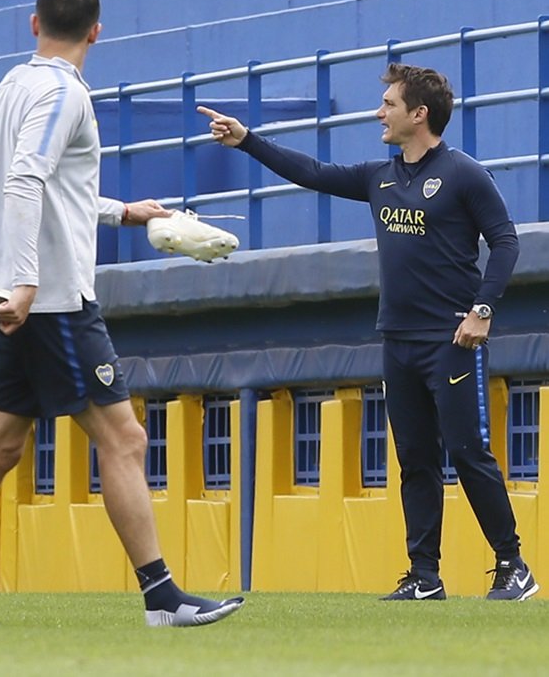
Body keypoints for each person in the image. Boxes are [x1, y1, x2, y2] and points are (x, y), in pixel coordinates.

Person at [0, 0, 244, 629]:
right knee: (123, 437)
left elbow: (41, 186)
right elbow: (28, 179)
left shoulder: (9, 87)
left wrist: (121, 211)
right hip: (56, 301)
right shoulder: (66, 93)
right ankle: (162, 598)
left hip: (26, 295)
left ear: (33, 24)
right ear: (97, 31)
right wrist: (30, 280)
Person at [200, 64, 536, 602]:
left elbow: (506, 242)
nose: (379, 112)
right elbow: (310, 171)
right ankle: (425, 576)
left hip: (452, 339)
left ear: (418, 114)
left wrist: (482, 311)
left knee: (470, 453)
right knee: (415, 460)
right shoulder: (378, 176)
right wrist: (247, 141)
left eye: (389, 104)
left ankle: (513, 565)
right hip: (397, 341)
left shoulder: (465, 173)